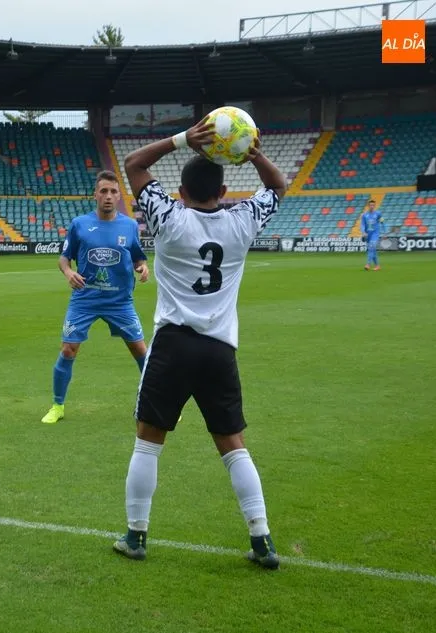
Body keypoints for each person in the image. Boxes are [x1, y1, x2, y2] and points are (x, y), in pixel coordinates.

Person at [116, 116, 287, 570]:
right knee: (233, 444)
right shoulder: (243, 221)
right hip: (218, 350)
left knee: (148, 441)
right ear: (225, 191)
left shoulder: (168, 217)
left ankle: (135, 536)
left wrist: (181, 140)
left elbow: (132, 164)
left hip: (172, 345)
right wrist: (255, 154)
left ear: (181, 192)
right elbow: (280, 185)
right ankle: (262, 539)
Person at [40, 170, 150, 425]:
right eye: (104, 191)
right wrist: (68, 272)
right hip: (84, 299)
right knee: (68, 349)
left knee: (140, 350)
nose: (108, 196)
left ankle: (156, 404)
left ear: (118, 195)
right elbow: (64, 258)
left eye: (113, 191)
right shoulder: (80, 224)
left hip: (119, 301)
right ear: (95, 195)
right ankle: (57, 405)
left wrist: (142, 267)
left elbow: (138, 256)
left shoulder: (130, 225)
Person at [360, 200, 385, 271]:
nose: (372, 206)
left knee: (371, 247)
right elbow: (362, 224)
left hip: (375, 233)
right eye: (370, 205)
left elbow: (383, 222)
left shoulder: (378, 214)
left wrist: (384, 232)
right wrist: (363, 232)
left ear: (375, 206)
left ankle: (368, 264)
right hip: (368, 234)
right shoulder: (364, 215)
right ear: (368, 206)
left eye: (373, 205)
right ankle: (377, 266)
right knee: (372, 250)